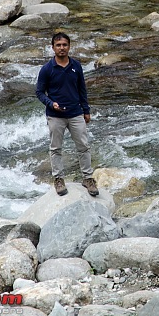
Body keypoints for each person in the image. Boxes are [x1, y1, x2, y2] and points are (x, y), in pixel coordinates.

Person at [35, 32, 98, 196]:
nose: (61, 48)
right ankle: (58, 179)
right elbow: (39, 92)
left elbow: (82, 89)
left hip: (76, 113)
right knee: (56, 148)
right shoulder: (47, 69)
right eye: (58, 45)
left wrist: (86, 110)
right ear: (53, 47)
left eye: (64, 45)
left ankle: (88, 178)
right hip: (55, 116)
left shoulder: (76, 66)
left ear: (69, 47)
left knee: (83, 146)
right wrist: (51, 103)